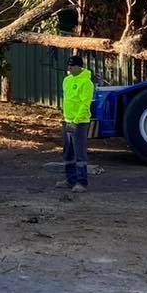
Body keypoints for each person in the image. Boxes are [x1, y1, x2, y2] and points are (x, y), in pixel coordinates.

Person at [61, 54, 94, 197]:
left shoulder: (86, 83)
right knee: (68, 152)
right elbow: (67, 100)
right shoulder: (67, 80)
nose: (69, 68)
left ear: (79, 67)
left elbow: (84, 104)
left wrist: (75, 121)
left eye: (72, 66)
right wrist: (66, 118)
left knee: (79, 153)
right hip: (67, 120)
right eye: (68, 65)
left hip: (79, 123)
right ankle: (70, 179)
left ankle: (81, 181)